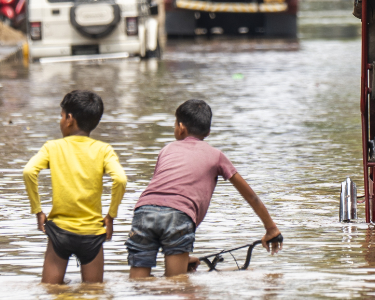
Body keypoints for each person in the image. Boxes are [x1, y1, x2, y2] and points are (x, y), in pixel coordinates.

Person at [126, 99, 283, 279]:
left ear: (181, 127)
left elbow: (163, 189)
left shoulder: (166, 149)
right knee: (175, 284)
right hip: (179, 214)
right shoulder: (217, 156)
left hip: (143, 211)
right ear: (208, 131)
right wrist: (271, 228)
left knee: (138, 283)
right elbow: (251, 196)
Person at [23, 90, 128, 284]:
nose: (61, 120)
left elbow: (29, 172)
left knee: (51, 290)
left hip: (60, 233)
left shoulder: (52, 147)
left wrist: (38, 211)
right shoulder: (104, 150)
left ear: (69, 119)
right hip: (92, 234)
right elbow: (120, 179)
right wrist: (111, 215)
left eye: (61, 116)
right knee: (94, 292)